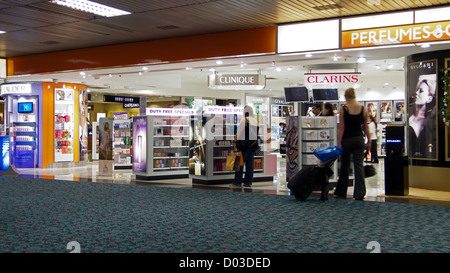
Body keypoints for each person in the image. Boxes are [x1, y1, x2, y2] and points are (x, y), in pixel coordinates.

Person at [334, 88, 370, 201]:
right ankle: (360, 193)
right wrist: (369, 140)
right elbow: (366, 126)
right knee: (359, 167)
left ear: (346, 97)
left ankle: (341, 191)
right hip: (359, 139)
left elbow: (341, 127)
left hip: (347, 140)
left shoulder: (344, 109)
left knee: (345, 166)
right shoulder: (363, 109)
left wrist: (339, 142)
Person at [408, 74, 437, 159]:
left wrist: (423, 77)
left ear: (429, 99)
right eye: (417, 90)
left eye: (421, 91)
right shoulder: (411, 115)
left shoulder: (428, 120)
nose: (416, 93)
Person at [231, 105, 259, 188]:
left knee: (239, 164)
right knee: (250, 165)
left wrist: (234, 141)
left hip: (244, 146)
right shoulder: (255, 121)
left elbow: (239, 133)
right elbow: (256, 135)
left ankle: (237, 182)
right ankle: (248, 182)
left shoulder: (245, 120)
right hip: (253, 146)